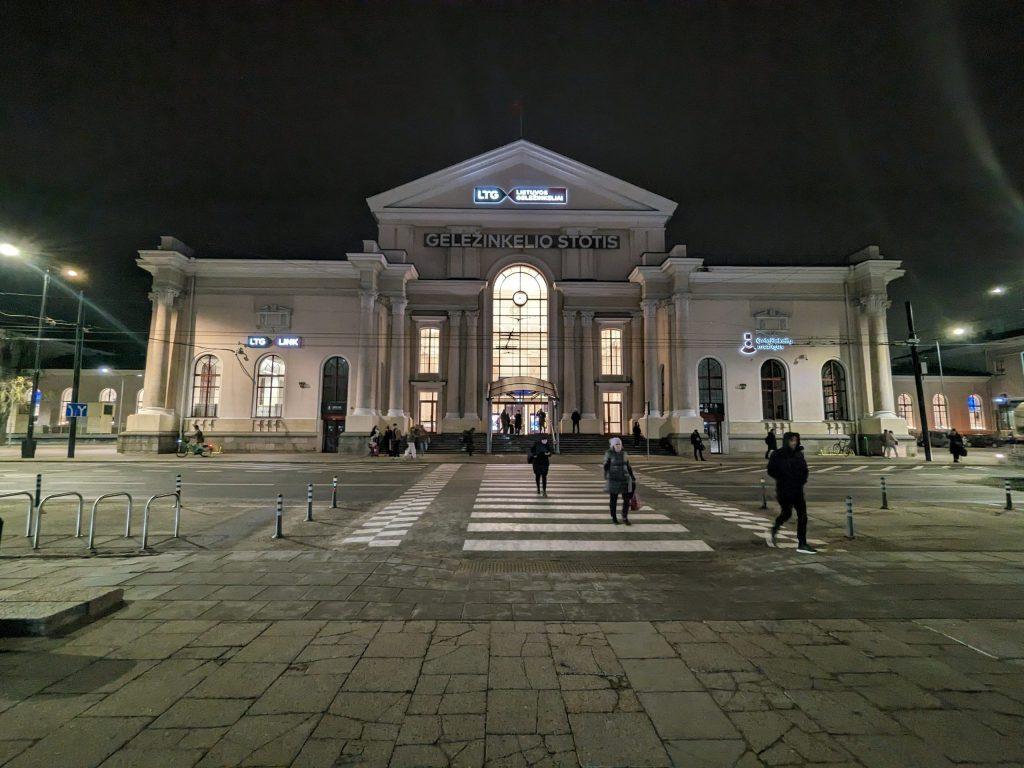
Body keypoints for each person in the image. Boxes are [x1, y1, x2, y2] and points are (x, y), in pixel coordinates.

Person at [767, 432, 816, 554]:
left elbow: (804, 470)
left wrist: (801, 480)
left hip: (797, 490)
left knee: (803, 516)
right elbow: (771, 470)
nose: (794, 443)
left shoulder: (799, 454)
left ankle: (802, 543)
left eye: (795, 440)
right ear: (786, 441)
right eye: (791, 440)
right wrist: (783, 478)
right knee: (787, 513)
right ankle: (775, 528)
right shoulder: (777, 454)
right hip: (784, 490)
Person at [603, 437, 636, 525]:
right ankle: (614, 517)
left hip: (625, 479)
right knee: (613, 500)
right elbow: (605, 465)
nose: (618, 446)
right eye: (616, 444)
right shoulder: (609, 453)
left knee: (626, 500)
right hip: (613, 480)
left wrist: (632, 477)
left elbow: (628, 466)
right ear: (613, 445)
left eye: (619, 444)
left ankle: (625, 517)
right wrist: (607, 471)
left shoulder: (624, 453)